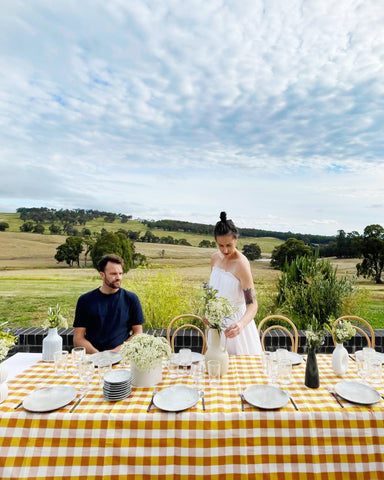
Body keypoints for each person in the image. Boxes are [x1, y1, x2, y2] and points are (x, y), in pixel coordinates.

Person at [208, 211, 262, 355]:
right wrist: (207, 312)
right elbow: (211, 292)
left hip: (237, 329)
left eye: (229, 245)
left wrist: (241, 324)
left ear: (236, 239)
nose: (225, 250)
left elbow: (252, 304)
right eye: (221, 245)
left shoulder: (242, 264)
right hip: (216, 327)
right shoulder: (214, 259)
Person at [73, 254, 145, 353]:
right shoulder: (85, 300)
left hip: (122, 357)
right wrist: (99, 356)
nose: (118, 277)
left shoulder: (131, 299)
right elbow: (78, 339)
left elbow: (138, 334)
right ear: (102, 275)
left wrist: (115, 352)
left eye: (120, 273)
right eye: (113, 274)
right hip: (93, 358)